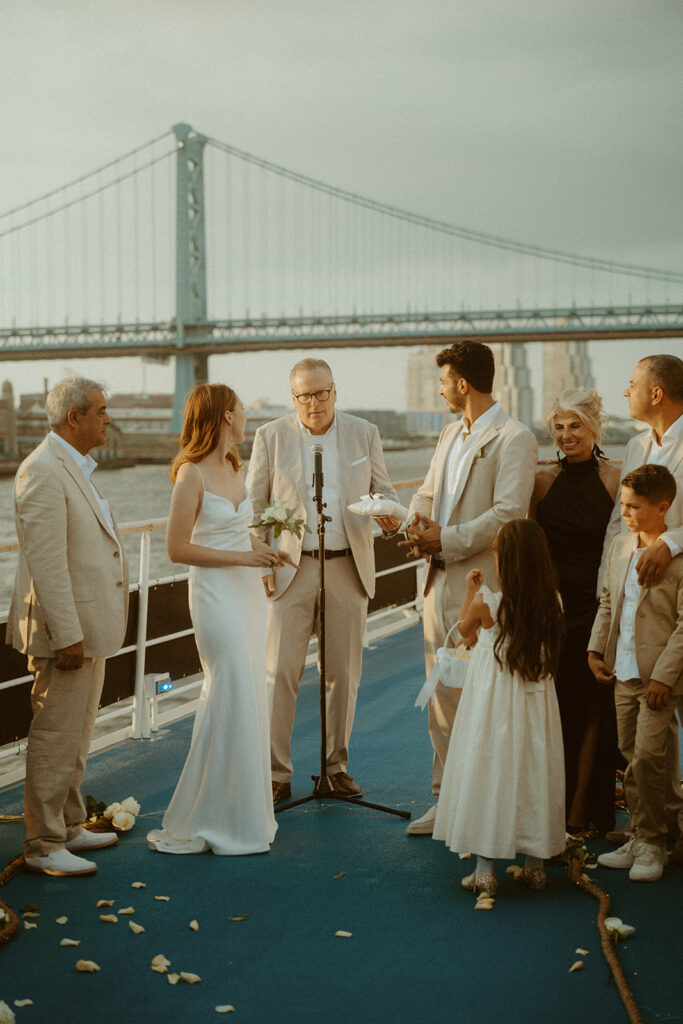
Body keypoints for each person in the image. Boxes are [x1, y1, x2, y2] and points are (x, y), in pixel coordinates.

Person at [246, 357, 400, 803]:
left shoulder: (363, 432)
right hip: (290, 568)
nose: (313, 403)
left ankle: (335, 767)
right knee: (280, 675)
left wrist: (389, 514)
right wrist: (263, 565)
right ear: (291, 397)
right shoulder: (269, 436)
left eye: (321, 393)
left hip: (348, 565)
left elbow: (386, 492)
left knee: (343, 675)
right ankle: (276, 774)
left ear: (335, 391)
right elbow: (254, 510)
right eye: (303, 395)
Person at [147, 383, 291, 855]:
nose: (247, 415)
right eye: (243, 409)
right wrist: (240, 561)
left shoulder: (233, 466)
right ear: (226, 417)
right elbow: (176, 549)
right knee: (228, 687)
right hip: (214, 596)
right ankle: (214, 815)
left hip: (246, 595)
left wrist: (263, 551)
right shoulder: (190, 475)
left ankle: (242, 811)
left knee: (249, 688)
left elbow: (236, 532)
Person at [401, 341, 538, 835]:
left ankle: (490, 805)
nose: (439, 392)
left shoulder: (514, 437)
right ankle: (445, 800)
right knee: (442, 693)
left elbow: (509, 514)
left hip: (486, 590)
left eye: (442, 383)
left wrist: (448, 540)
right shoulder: (447, 436)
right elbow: (429, 492)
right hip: (439, 583)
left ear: (462, 384)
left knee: (487, 696)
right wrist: (414, 523)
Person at [7, 377, 129, 877]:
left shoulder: (72, 466)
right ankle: (44, 843)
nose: (108, 418)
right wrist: (68, 634)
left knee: (78, 734)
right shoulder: (42, 471)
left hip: (89, 626)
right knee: (57, 733)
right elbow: (47, 564)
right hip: (68, 632)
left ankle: (70, 823)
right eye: (101, 410)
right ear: (74, 417)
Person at [432, 519, 566, 895]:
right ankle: (536, 866)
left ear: (506, 561)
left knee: (489, 766)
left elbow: (463, 633)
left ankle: (485, 869)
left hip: (493, 701)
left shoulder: (487, 602)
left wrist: (469, 591)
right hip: (536, 702)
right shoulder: (553, 601)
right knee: (533, 767)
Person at [598, 355, 683, 851]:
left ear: (656, 393)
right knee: (647, 740)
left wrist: (671, 543)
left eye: (631, 384)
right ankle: (657, 830)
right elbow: (620, 522)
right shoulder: (634, 445)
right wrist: (605, 587)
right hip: (636, 606)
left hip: (677, 595)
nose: (623, 391)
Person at [530, 389, 620, 834]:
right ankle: (554, 807)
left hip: (598, 607)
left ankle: (587, 809)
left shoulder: (615, 480)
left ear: (594, 429)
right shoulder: (542, 480)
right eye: (559, 427)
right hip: (553, 606)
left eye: (575, 426)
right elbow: (527, 547)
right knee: (558, 709)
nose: (566, 436)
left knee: (595, 712)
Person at [590, 465, 683, 882]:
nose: (625, 514)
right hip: (621, 670)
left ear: (663, 508)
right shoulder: (619, 548)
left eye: (634, 507)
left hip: (658, 676)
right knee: (630, 755)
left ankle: (654, 843)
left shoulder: (677, 560)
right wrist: (595, 648)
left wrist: (665, 675)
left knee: (650, 757)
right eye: (623, 505)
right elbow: (608, 601)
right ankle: (643, 833)